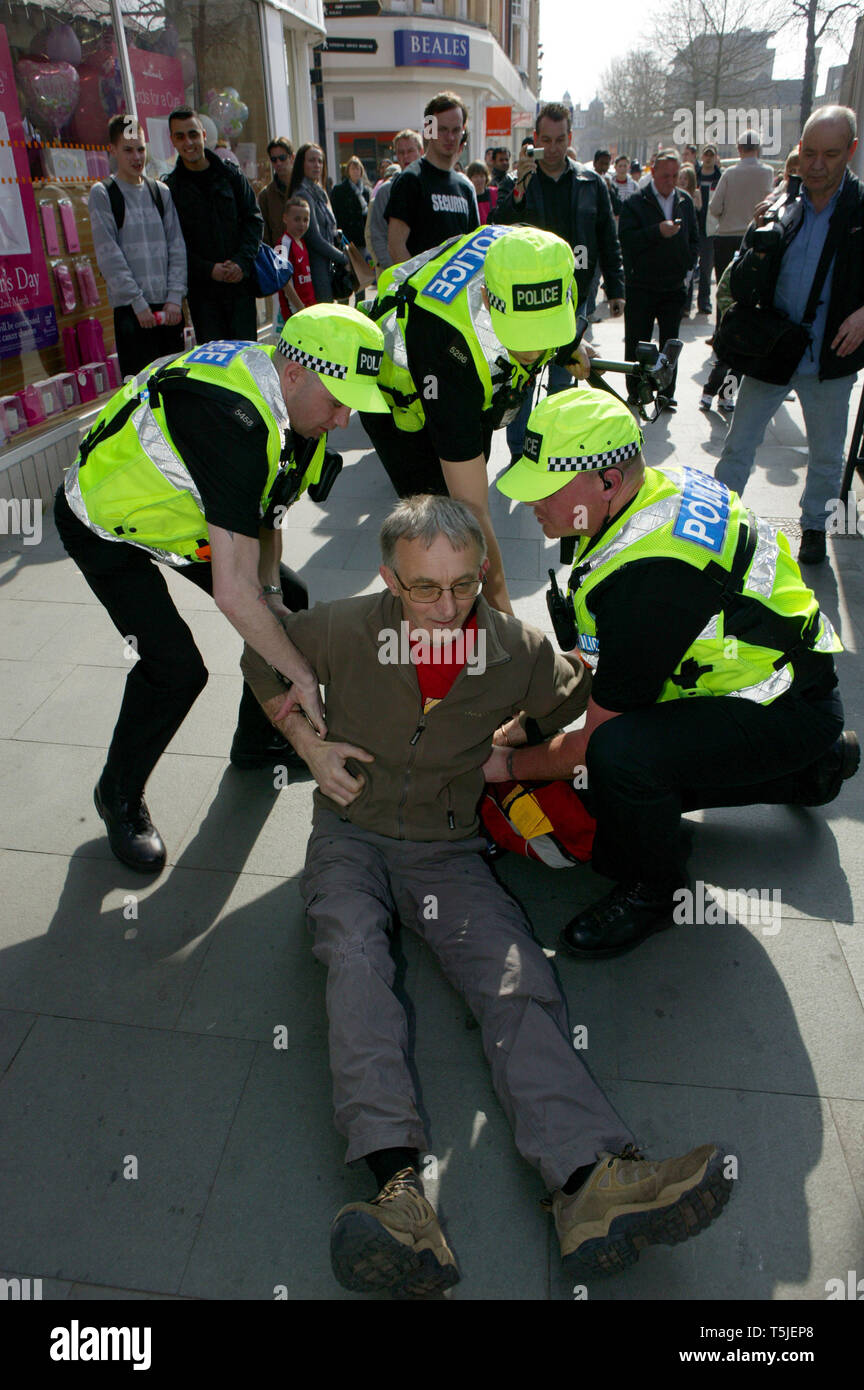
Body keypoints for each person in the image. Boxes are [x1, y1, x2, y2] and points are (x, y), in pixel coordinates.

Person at [239, 491, 735, 1297]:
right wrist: (307, 742)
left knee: (516, 981)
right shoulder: (336, 626)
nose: (447, 606)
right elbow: (259, 658)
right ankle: (400, 1194)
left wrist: (524, 745)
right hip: (351, 835)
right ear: (388, 578)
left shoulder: (512, 648)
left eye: (464, 584)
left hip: (446, 849)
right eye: (424, 588)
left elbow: (577, 700)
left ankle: (588, 1183)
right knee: (355, 960)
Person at [491, 385, 858, 958]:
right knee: (621, 764)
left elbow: (590, 743)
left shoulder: (650, 577)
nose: (529, 503)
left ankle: (655, 894)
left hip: (782, 707)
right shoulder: (649, 498)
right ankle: (814, 767)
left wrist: (508, 764)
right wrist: (530, 725)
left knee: (617, 760)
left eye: (545, 488)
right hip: (780, 691)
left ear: (607, 481)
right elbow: (602, 656)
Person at [52, 306, 389, 873]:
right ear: (293, 375)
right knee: (175, 668)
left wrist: (275, 596)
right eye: (337, 401)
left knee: (290, 602)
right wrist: (302, 675)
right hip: (106, 519)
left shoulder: (298, 417)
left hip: (182, 520)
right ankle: (117, 796)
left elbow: (269, 514)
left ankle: (258, 743)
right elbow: (235, 594)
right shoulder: (231, 419)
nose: (344, 420)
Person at [359, 224, 592, 613]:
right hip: (404, 403)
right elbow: (472, 506)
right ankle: (435, 619)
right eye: (522, 334)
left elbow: (547, 311)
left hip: (470, 382)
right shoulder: (443, 338)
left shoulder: (534, 258)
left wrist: (571, 342)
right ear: (487, 298)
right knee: (441, 523)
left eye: (544, 330)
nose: (534, 351)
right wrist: (505, 614)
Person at [715, 106, 864, 567]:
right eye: (810, 153)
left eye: (831, 154)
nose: (818, 164)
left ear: (851, 152)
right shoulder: (786, 202)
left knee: (825, 456)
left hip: (830, 358)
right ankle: (718, 521)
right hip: (774, 351)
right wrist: (759, 234)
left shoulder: (860, 207)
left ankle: (815, 526)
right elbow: (745, 278)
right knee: (739, 444)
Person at [491, 102, 624, 458]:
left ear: (570, 137)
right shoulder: (518, 180)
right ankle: (520, 450)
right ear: (534, 139)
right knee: (524, 378)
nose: (552, 148)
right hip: (528, 302)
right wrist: (519, 184)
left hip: (574, 296)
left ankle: (551, 447)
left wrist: (616, 288)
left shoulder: (590, 182)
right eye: (545, 140)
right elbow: (496, 229)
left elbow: (607, 239)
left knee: (565, 376)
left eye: (560, 139)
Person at [89, 116, 186, 379]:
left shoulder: (160, 192)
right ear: (113, 150)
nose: (136, 157)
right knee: (138, 394)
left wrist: (175, 299)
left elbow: (177, 246)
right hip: (132, 312)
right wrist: (137, 302)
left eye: (141, 149)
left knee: (174, 388)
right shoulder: (104, 193)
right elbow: (109, 255)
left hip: (168, 311)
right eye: (128, 150)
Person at [164, 107, 262, 345]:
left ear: (204, 135)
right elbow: (173, 245)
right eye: (180, 136)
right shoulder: (171, 190)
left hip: (240, 290)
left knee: (246, 363)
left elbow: (254, 220)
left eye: (193, 134)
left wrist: (241, 261)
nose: (188, 142)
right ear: (173, 141)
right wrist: (208, 269)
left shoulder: (231, 176)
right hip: (203, 297)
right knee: (214, 370)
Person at [618, 148, 699, 408]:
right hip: (641, 285)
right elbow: (627, 240)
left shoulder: (684, 201)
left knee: (670, 344)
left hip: (673, 286)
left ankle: (666, 392)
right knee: (637, 342)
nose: (671, 181)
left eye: (675, 175)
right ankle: (636, 390)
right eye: (666, 176)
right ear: (653, 173)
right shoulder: (636, 202)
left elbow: (695, 239)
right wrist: (657, 232)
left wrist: (687, 265)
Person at [386, 91, 479, 265]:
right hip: (420, 289)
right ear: (429, 130)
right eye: (442, 129)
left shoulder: (465, 187)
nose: (450, 137)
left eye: (456, 130)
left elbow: (473, 247)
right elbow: (395, 246)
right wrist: (418, 287)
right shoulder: (410, 180)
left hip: (459, 289)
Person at [287, 143, 350, 304]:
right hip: (315, 268)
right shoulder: (303, 193)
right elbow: (314, 238)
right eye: (311, 160)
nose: (317, 165)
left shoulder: (319, 191)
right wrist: (343, 258)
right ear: (302, 164)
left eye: (320, 161)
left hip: (328, 266)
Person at [708, 130, 775, 282]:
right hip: (754, 237)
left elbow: (715, 207)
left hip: (726, 237)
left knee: (725, 287)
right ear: (758, 149)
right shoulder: (767, 173)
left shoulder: (729, 174)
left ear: (739, 149)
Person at [365, 130, 423, 273]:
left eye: (410, 151)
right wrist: (394, 269)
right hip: (396, 272)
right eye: (401, 152)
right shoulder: (385, 191)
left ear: (420, 151)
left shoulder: (430, 186)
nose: (405, 156)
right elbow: (377, 234)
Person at [277, 196, 314, 326]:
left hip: (308, 308)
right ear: (285, 218)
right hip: (295, 312)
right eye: (297, 219)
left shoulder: (302, 242)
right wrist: (299, 307)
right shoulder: (283, 243)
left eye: (305, 220)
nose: (302, 224)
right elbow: (283, 280)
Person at [695, 145, 723, 314]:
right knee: (689, 267)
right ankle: (685, 303)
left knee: (706, 268)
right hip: (694, 225)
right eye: (706, 154)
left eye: (711, 155)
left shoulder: (720, 178)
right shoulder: (695, 175)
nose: (708, 158)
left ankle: (704, 302)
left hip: (711, 228)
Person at [258, 137, 295, 248]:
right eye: (274, 160)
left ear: (292, 157)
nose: (278, 163)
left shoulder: (304, 189)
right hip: (280, 257)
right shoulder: (266, 195)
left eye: (282, 158)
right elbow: (264, 236)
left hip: (305, 258)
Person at [330, 156, 370, 254]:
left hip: (362, 238)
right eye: (353, 169)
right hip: (346, 237)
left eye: (357, 169)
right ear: (348, 171)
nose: (355, 172)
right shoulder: (339, 190)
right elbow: (335, 213)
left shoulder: (365, 191)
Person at [466, 159, 498, 223]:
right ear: (470, 178)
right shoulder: (467, 196)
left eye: (482, 176)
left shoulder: (494, 193)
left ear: (486, 177)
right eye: (475, 176)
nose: (479, 180)